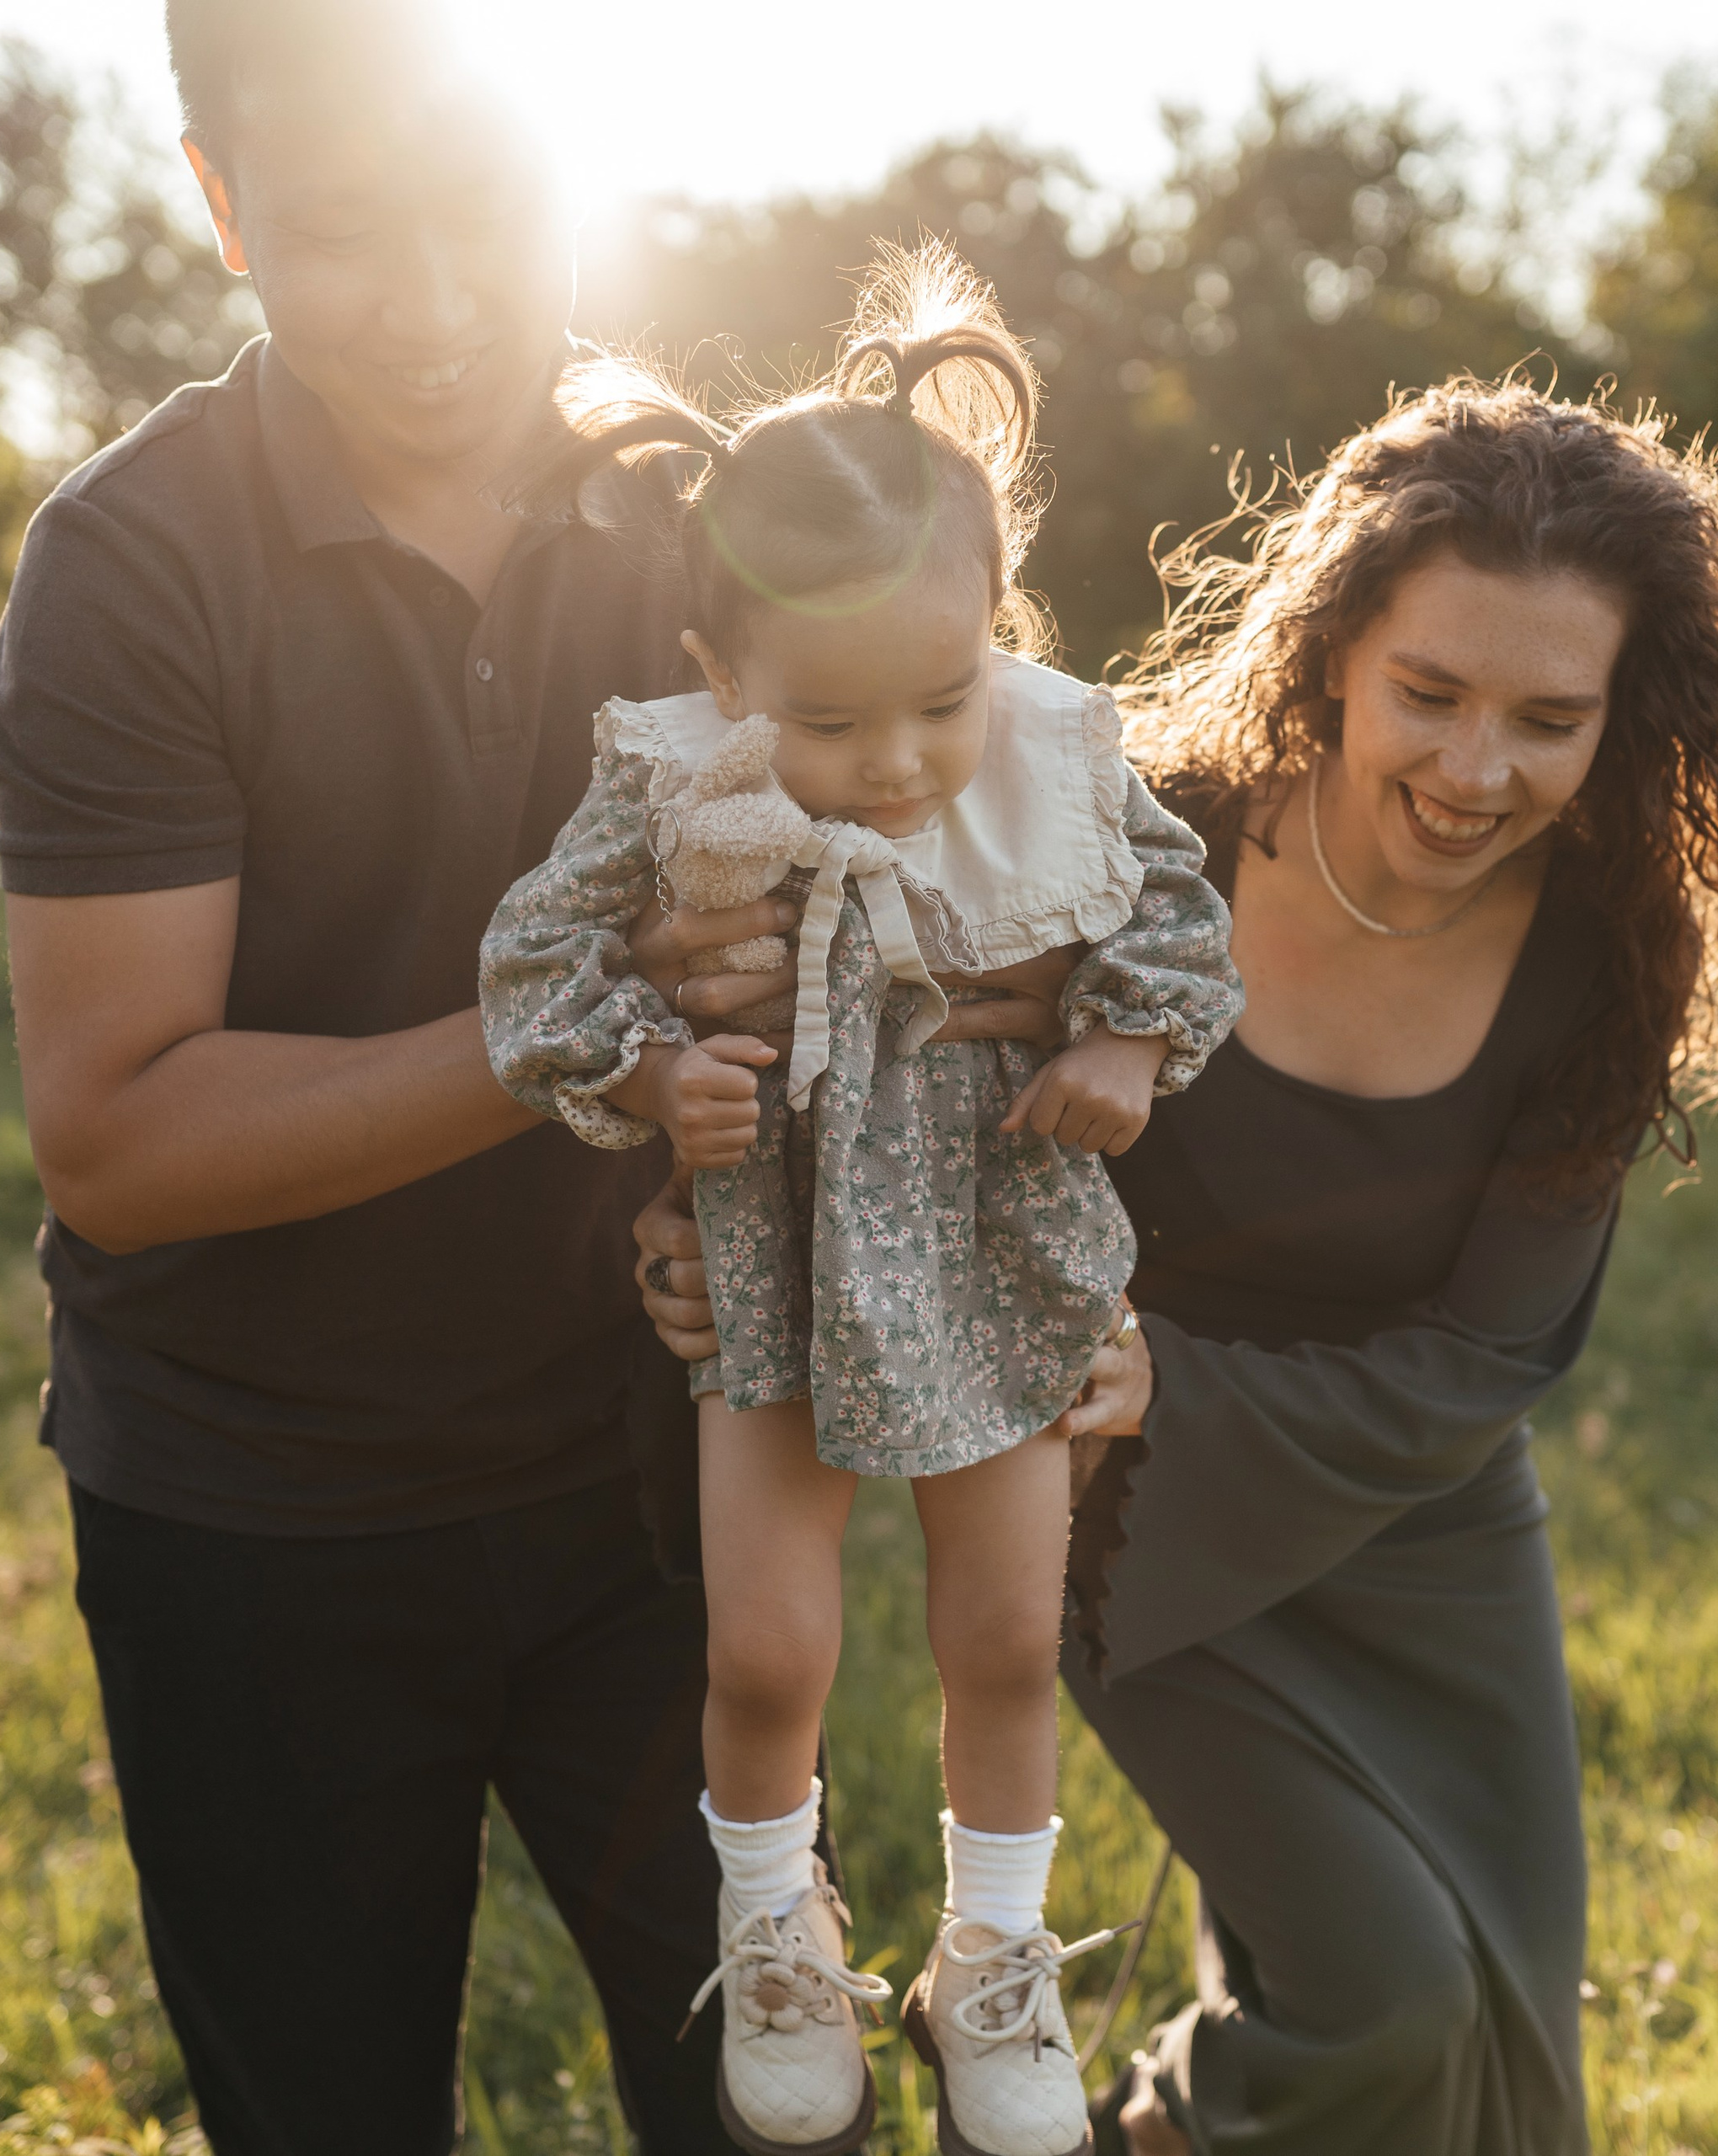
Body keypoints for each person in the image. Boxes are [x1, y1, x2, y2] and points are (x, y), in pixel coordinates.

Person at [0, 3, 1043, 2148]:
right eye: (343, 233)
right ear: (219, 206)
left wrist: (1019, 1276)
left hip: (645, 1478)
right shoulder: (124, 567)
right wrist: (582, 1041)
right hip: (257, 1506)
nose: (443, 303)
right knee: (331, 2107)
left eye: (487, 210)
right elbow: (116, 1139)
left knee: (785, 2115)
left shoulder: (698, 522)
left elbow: (946, 901)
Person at [638, 376, 1718, 2155]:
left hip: (1417, 1505)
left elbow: (1488, 1351)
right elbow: (833, 1028)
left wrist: (1194, 1378)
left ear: (1624, 719)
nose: (1474, 770)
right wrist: (688, 1219)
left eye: (1547, 716)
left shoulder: (1610, 942)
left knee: (1506, 2034)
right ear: (1333, 650)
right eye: (1428, 693)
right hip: (1117, 1491)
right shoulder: (1116, 837)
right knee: (1384, 1996)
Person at [480, 250, 1242, 2156]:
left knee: (1000, 1630)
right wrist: (657, 1073)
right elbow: (529, 971)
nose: (894, 763)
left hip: (993, 1246)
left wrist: (1127, 1052)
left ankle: (989, 1954)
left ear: (995, 628)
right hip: (771, 1264)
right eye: (828, 722)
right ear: (721, 677)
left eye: (937, 696)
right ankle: (777, 1928)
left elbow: (1178, 921)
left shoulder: (1057, 758)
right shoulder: (673, 788)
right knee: (768, 1646)